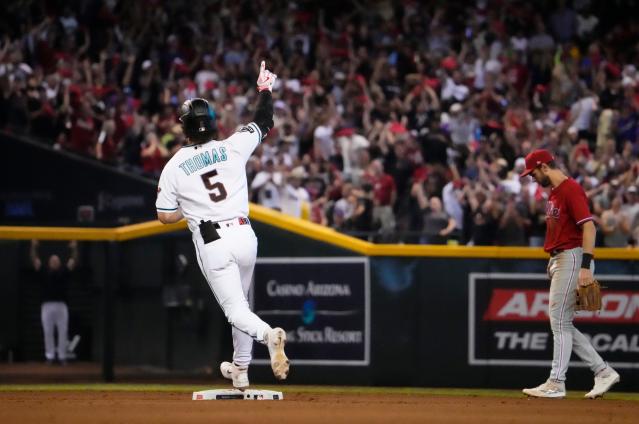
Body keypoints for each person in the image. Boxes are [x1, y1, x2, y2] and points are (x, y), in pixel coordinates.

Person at [155, 61, 289, 390]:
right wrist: (265, 89)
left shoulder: (173, 167)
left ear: (184, 128)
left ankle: (269, 336)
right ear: (212, 123)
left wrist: (188, 211)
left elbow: (163, 215)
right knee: (240, 304)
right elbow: (264, 120)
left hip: (213, 240)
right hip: (245, 235)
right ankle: (241, 369)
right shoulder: (232, 146)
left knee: (234, 310)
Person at [519, 149, 620, 399]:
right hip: (561, 257)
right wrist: (552, 259)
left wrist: (585, 265)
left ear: (543, 166)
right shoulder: (554, 193)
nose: (532, 178)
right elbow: (560, 229)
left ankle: (556, 382)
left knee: (559, 322)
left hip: (574, 257)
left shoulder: (570, 189)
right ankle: (603, 371)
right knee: (561, 322)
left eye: (532, 173)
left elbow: (589, 227)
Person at [30, 240, 78, 365]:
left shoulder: (64, 273)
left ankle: (62, 356)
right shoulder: (44, 272)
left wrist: (74, 248)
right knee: (48, 331)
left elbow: (73, 262)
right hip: (47, 305)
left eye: (56, 261)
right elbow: (35, 261)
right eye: (52, 261)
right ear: (49, 263)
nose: (54, 262)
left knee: (63, 331)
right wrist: (33, 247)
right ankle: (50, 356)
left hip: (61, 305)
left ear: (59, 263)